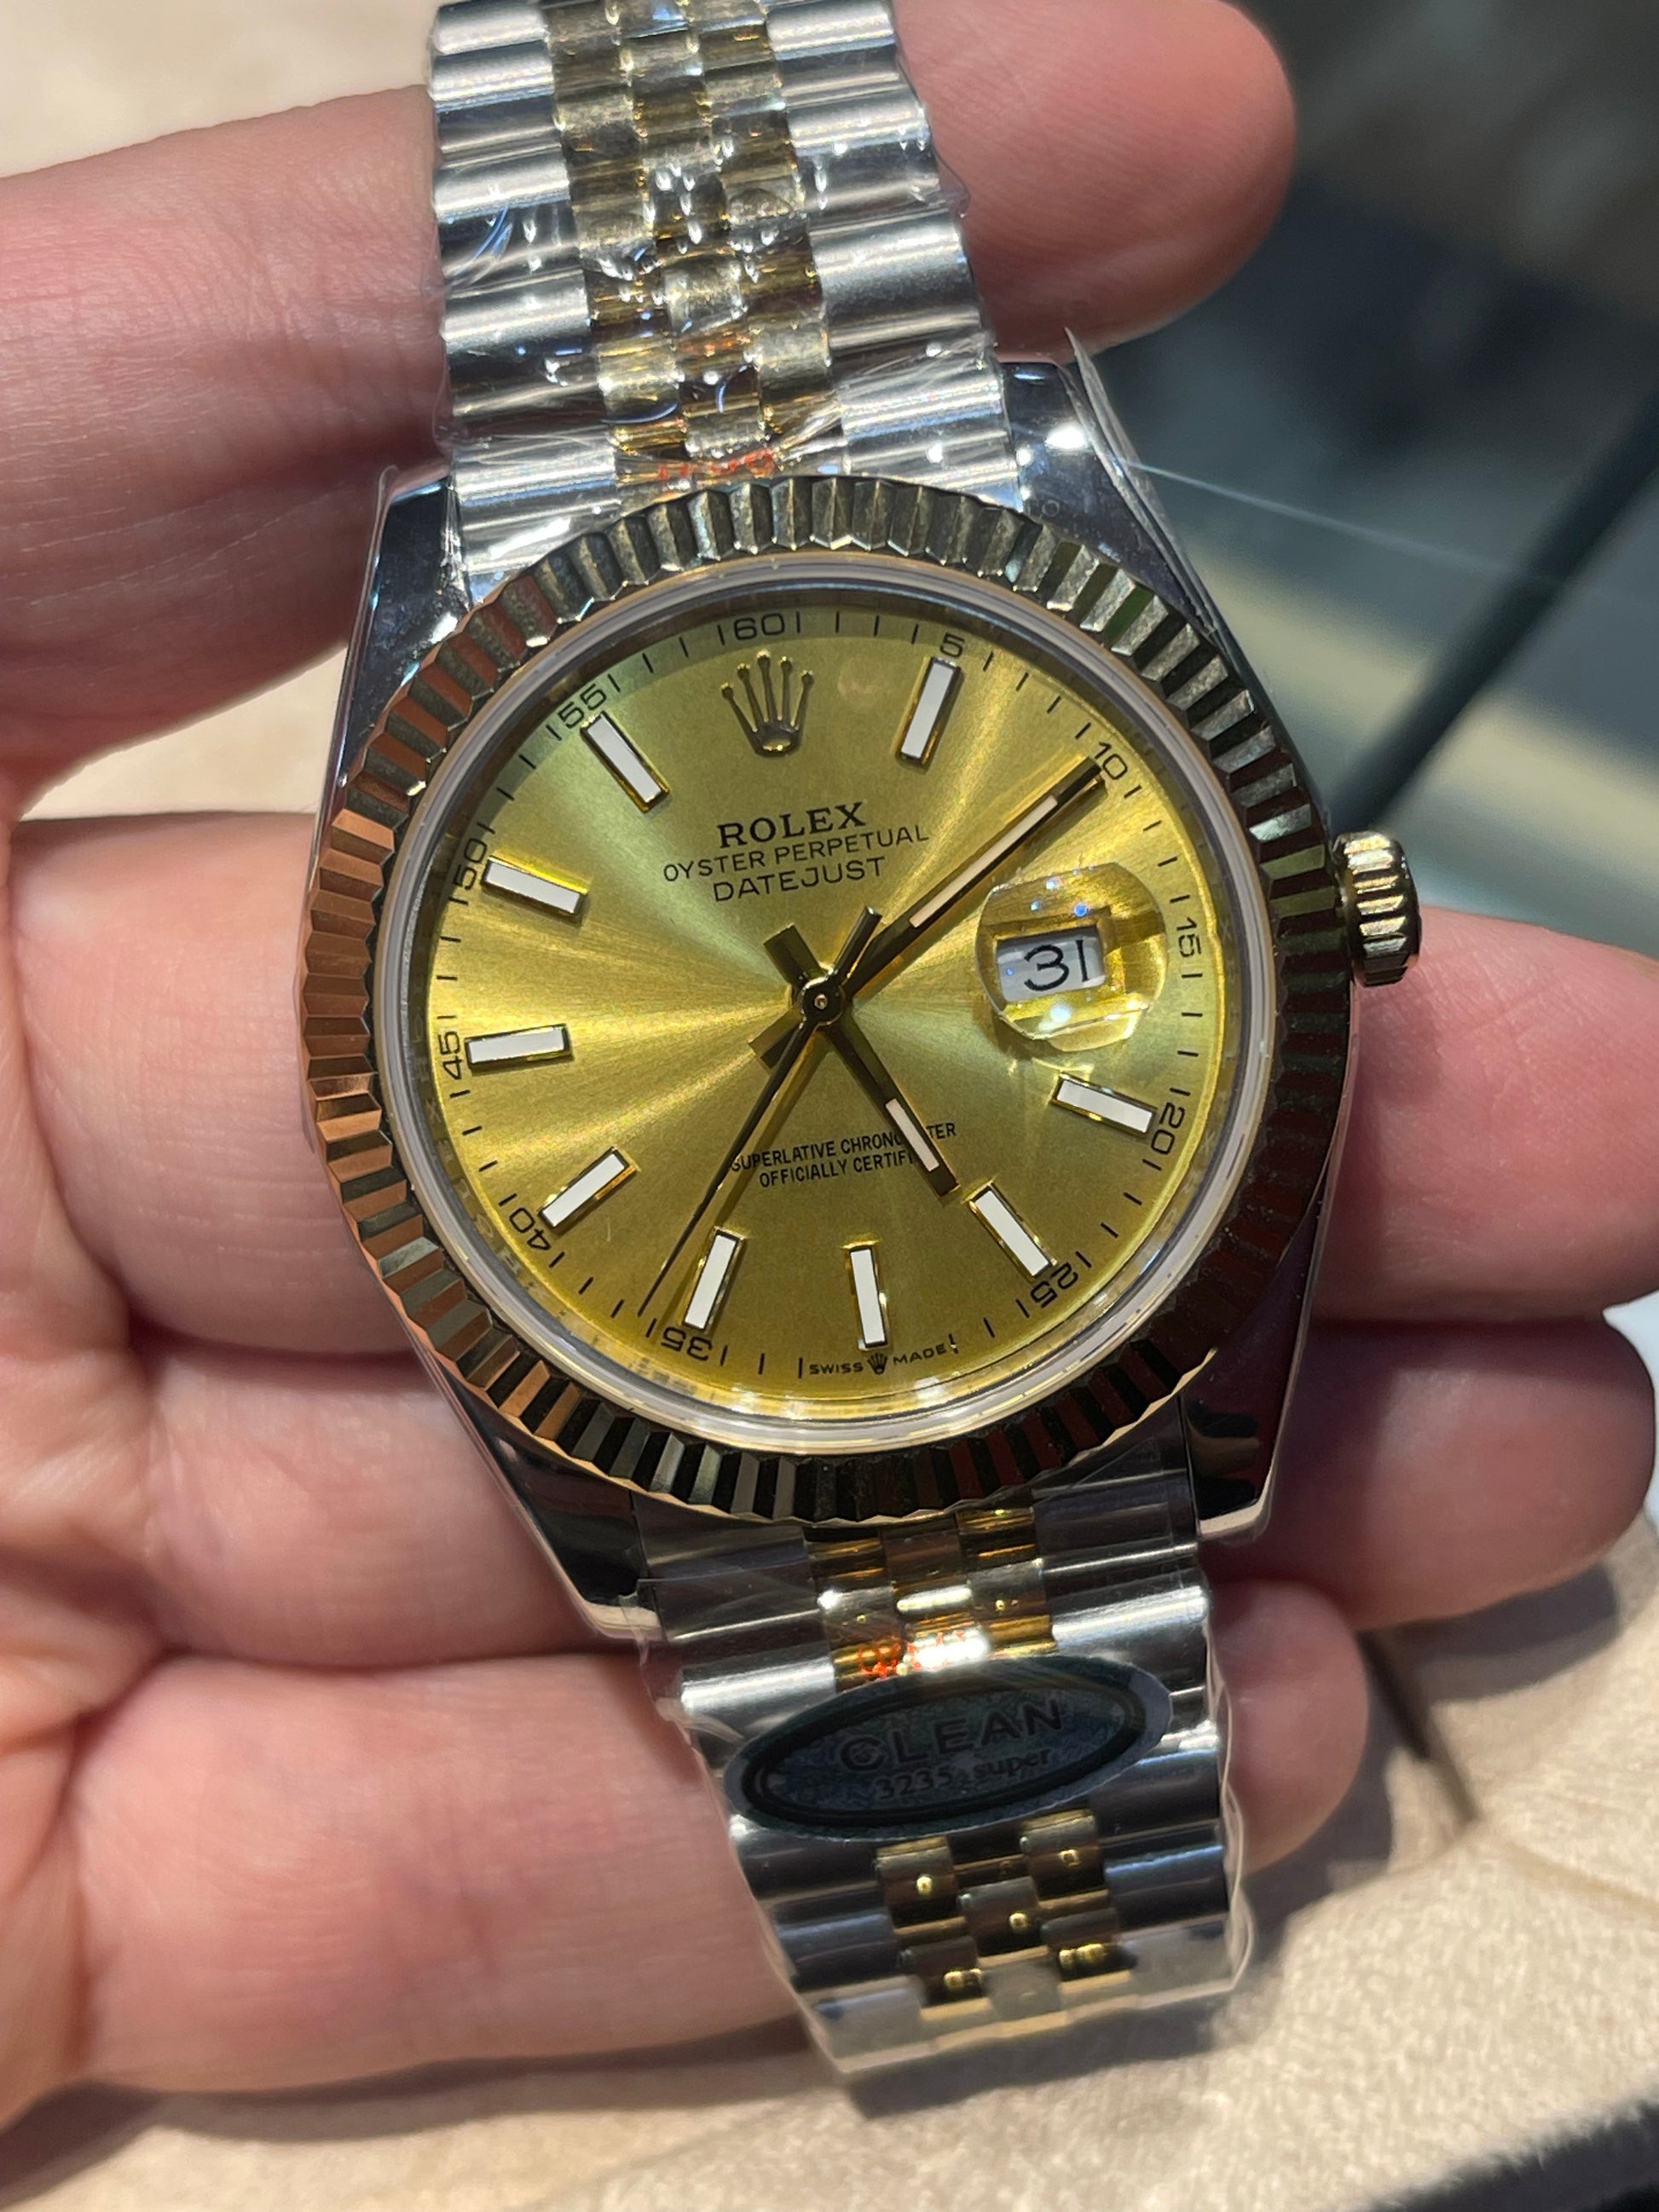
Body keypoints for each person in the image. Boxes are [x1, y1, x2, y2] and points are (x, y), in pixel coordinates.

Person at [0, 0, 1651, 2118]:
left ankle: (1044, 1933)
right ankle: (992, 1941)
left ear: (1325, 914)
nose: (806, 1000)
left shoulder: (1019, 520)